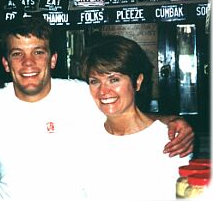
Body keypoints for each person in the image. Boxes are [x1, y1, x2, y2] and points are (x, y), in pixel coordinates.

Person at [0, 17, 194, 199]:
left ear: (53, 59)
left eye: (38, 52)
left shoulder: (81, 94)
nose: (28, 63)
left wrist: (169, 121)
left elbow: (121, 106)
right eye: (17, 54)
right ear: (5, 63)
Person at [80, 35, 190, 200]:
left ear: (137, 82)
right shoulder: (83, 138)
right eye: (95, 81)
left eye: (114, 80)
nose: (103, 91)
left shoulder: (170, 140)